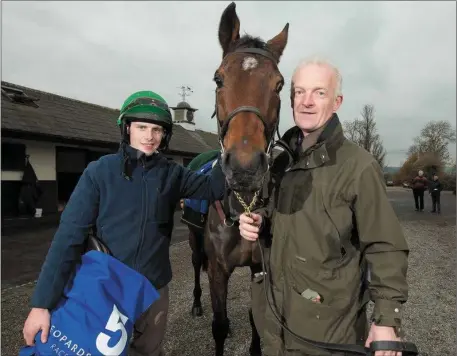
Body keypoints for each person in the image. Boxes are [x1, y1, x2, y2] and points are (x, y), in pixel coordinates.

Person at [22, 90, 226, 356]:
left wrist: (228, 145)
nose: (149, 136)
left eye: (157, 130)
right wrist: (41, 305)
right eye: (141, 127)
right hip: (106, 288)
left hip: (152, 291)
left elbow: (214, 188)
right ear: (126, 127)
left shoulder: (173, 174)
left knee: (149, 352)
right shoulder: (99, 172)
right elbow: (67, 238)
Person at [239, 57, 410, 356]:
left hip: (327, 330)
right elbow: (282, 215)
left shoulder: (358, 166)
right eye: (299, 92)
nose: (306, 102)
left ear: (337, 101)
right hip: (274, 319)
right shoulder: (280, 160)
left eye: (319, 92)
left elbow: (385, 247)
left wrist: (386, 320)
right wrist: (261, 220)